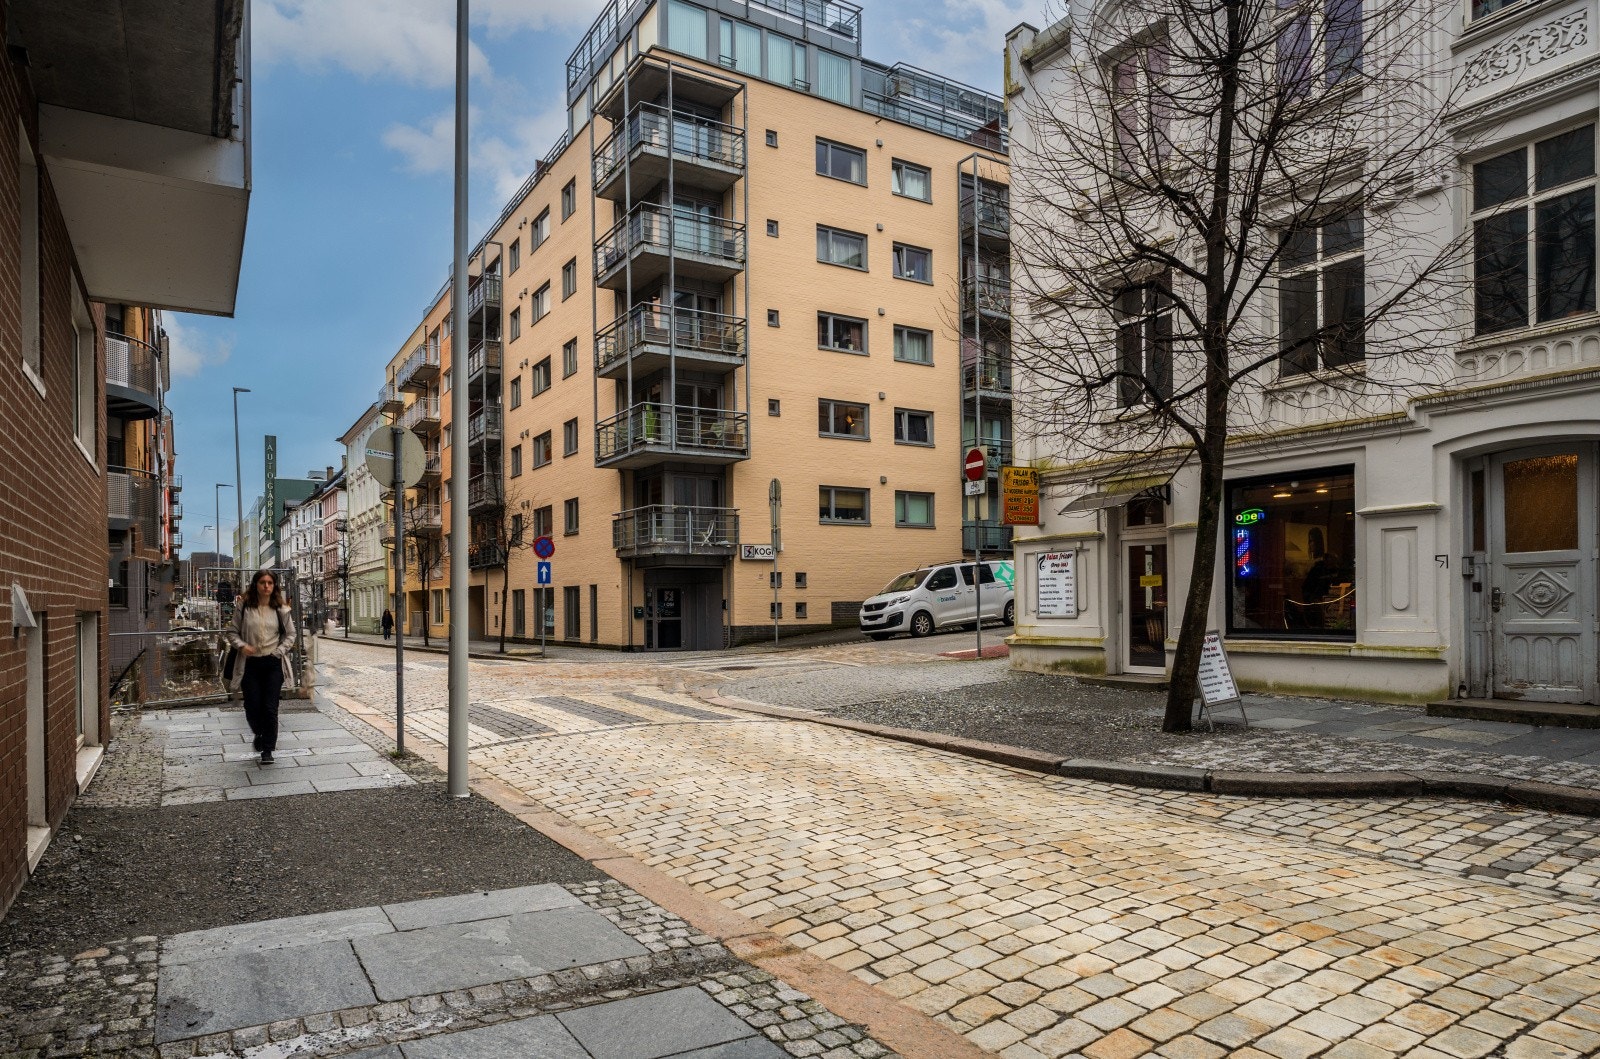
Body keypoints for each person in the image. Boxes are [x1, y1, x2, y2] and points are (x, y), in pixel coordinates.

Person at [226, 570, 297, 764]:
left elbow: (291, 634)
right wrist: (242, 646)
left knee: (270, 707)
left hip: (273, 662)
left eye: (270, 583)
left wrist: (279, 651)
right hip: (250, 664)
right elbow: (232, 632)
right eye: (262, 582)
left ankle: (268, 749)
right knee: (252, 706)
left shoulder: (281, 609)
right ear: (255, 585)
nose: (266, 586)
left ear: (274, 586)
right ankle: (258, 732)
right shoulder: (244, 607)